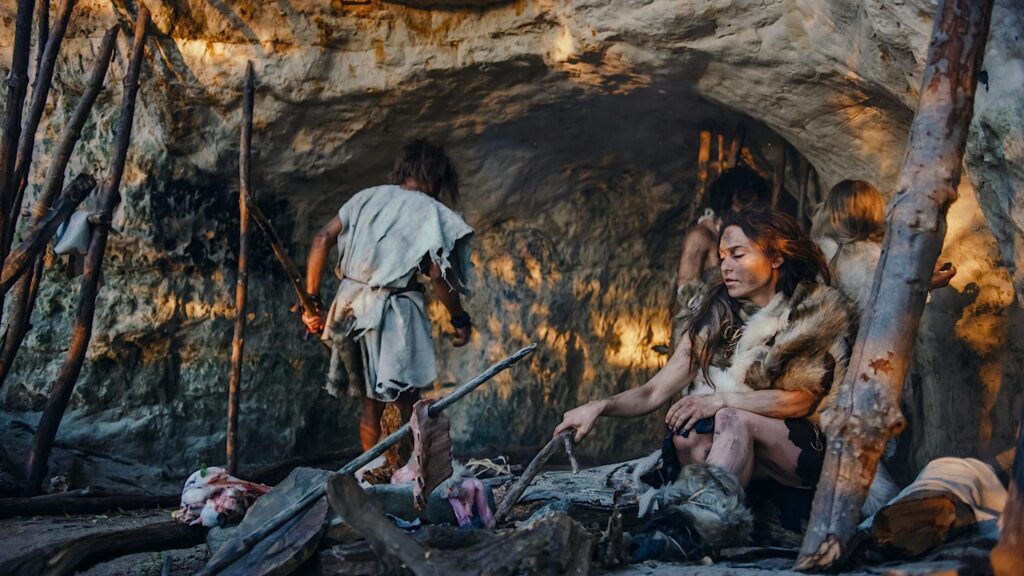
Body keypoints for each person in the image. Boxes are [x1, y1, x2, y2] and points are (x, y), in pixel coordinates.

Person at [555, 208, 859, 551]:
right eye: (722, 257)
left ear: (775, 256)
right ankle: (707, 519)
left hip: (796, 447)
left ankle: (690, 528)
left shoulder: (812, 312)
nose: (726, 265)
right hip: (738, 448)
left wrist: (720, 401)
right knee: (687, 437)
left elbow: (801, 400)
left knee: (731, 418)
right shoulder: (717, 315)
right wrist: (599, 406)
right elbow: (654, 391)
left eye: (738, 254)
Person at [303, 139, 474, 451]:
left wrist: (312, 302)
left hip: (351, 308)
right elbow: (437, 275)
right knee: (407, 404)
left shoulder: (365, 198)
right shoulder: (428, 209)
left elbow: (321, 239)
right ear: (438, 177)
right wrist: (459, 317)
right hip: (393, 314)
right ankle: (405, 479)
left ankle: (372, 475)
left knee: (371, 406)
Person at [812, 179, 956, 311]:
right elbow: (893, 306)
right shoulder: (873, 258)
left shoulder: (818, 249)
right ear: (874, 210)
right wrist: (927, 284)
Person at [673, 167, 769, 346]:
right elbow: (686, 293)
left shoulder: (741, 236)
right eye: (743, 201)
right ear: (726, 200)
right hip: (700, 332)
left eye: (753, 203)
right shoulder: (700, 237)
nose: (748, 208)